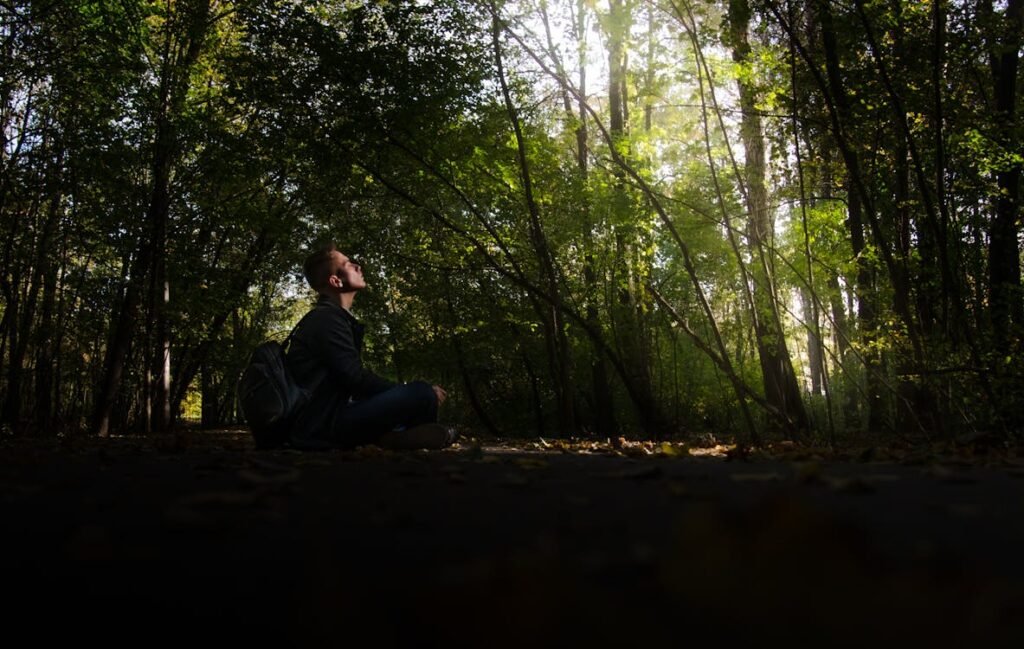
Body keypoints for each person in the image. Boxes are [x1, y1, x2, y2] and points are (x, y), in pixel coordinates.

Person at [284, 243, 455, 450]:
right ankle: (396, 438)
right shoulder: (327, 319)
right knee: (422, 393)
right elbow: (355, 379)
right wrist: (407, 391)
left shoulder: (334, 318)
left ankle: (395, 437)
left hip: (335, 414)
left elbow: (350, 384)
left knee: (419, 394)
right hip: (322, 423)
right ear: (335, 281)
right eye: (348, 264)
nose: (358, 266)